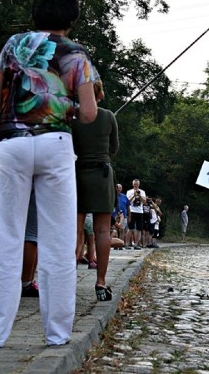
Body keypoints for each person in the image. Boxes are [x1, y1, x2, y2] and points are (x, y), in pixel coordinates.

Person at [0, 0, 98, 348]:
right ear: (72, 18)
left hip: (12, 143)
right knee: (59, 241)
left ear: (36, 12)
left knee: (4, 237)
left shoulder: (14, 45)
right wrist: (70, 107)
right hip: (55, 146)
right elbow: (90, 114)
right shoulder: (77, 54)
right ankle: (58, 334)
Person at [72, 78, 118, 300]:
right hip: (102, 175)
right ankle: (101, 282)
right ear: (99, 95)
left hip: (79, 173)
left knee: (76, 229)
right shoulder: (108, 116)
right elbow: (114, 148)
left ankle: (66, 279)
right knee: (102, 231)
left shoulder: (73, 118)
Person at [126, 179, 146, 250]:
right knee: (130, 227)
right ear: (133, 184)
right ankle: (127, 243)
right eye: (134, 184)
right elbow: (127, 202)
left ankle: (136, 244)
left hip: (140, 211)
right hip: (132, 211)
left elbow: (144, 201)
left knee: (139, 228)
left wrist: (139, 196)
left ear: (139, 184)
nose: (136, 185)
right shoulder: (129, 192)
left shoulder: (142, 192)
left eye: (137, 184)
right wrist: (134, 195)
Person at [111, 184, 129, 248]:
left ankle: (121, 245)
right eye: (117, 188)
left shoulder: (124, 197)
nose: (118, 189)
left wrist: (128, 215)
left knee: (122, 230)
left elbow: (128, 206)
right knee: (115, 230)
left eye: (120, 188)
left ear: (121, 189)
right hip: (114, 215)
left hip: (123, 215)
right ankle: (115, 245)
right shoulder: (112, 196)